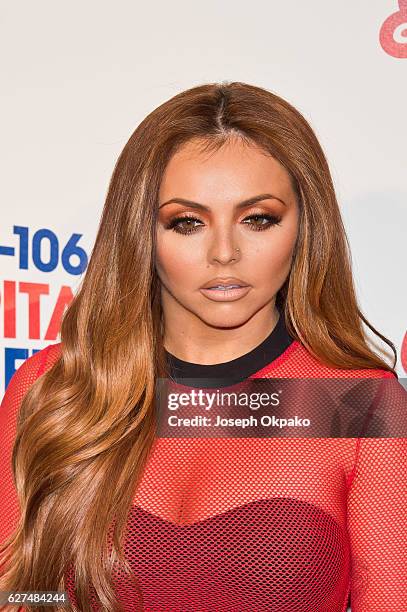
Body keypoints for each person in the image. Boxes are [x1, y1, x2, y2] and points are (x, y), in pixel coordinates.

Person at [0, 81, 406, 612]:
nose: (224, 253)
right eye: (187, 222)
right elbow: (20, 591)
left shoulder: (359, 408)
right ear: (141, 232)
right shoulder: (55, 389)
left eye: (257, 218)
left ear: (306, 226)